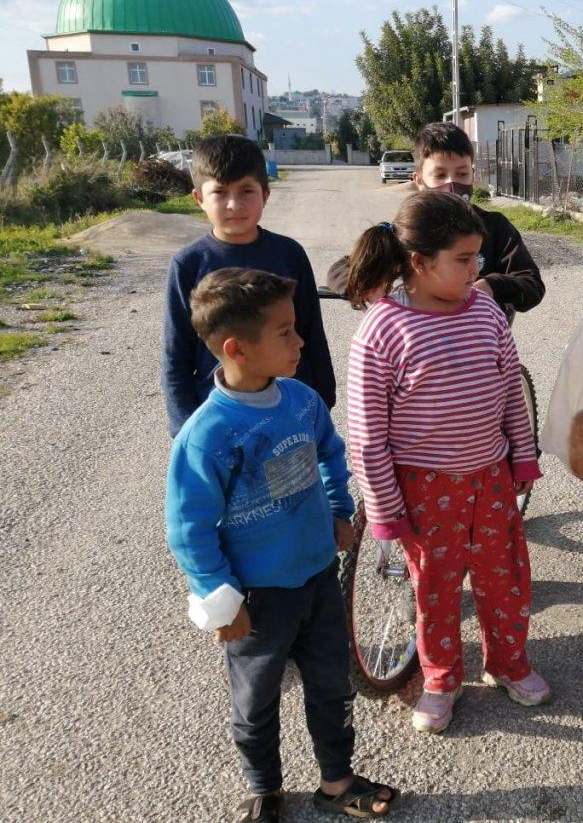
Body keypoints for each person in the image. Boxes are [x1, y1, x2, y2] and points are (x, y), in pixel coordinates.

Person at [164, 268, 395, 822]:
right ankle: (264, 788)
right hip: (258, 598)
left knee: (331, 687)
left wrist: (341, 512)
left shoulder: (300, 400)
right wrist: (219, 598)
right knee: (257, 699)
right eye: (286, 333)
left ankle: (336, 782)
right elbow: (188, 526)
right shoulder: (207, 435)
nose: (301, 342)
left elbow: (330, 454)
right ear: (237, 348)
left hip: (318, 577)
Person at [344, 191, 547, 735]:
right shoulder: (382, 331)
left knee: (505, 580)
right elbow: (368, 436)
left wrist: (522, 458)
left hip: (492, 478)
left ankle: (509, 664)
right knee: (434, 593)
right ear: (419, 262)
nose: (476, 270)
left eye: (477, 257)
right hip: (425, 489)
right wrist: (385, 512)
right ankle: (440, 678)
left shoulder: (484, 309)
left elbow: (508, 388)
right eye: (463, 259)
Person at [161, 135, 335, 437]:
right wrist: (185, 427)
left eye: (246, 191)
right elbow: (176, 355)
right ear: (198, 199)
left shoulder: (288, 254)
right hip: (221, 419)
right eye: (220, 192)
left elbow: (311, 332)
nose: (234, 204)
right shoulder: (187, 264)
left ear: (265, 194)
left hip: (290, 410)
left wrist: (323, 399)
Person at [324, 122, 544, 318]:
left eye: (462, 174)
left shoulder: (495, 226)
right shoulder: (408, 231)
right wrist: (372, 287)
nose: (451, 184)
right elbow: (341, 272)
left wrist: (490, 285)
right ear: (418, 180)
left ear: (473, 175)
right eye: (439, 175)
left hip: (484, 353)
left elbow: (531, 284)